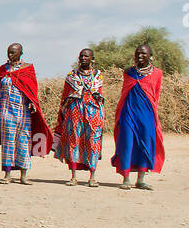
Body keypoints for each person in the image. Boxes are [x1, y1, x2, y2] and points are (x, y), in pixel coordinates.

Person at [0, 43, 53, 185]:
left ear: (21, 53)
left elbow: (32, 89)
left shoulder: (28, 69)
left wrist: (32, 101)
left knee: (23, 142)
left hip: (23, 111)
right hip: (5, 111)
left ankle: (24, 174)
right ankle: (7, 174)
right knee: (8, 142)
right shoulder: (3, 68)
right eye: (9, 52)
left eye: (13, 52)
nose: (10, 55)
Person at [111, 44, 165, 191]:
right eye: (137, 53)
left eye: (143, 53)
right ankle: (126, 178)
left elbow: (156, 95)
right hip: (128, 113)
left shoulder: (157, 73)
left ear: (150, 56)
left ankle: (141, 180)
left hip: (147, 114)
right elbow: (124, 93)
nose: (140, 56)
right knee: (126, 143)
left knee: (145, 144)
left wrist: (154, 115)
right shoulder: (128, 72)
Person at [54, 48, 104, 187]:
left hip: (93, 112)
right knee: (74, 140)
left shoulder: (98, 75)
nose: (83, 58)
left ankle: (92, 177)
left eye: (86, 56)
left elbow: (99, 94)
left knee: (93, 142)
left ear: (92, 59)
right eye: (81, 56)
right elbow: (65, 96)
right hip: (75, 111)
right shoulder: (72, 75)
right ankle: (73, 176)